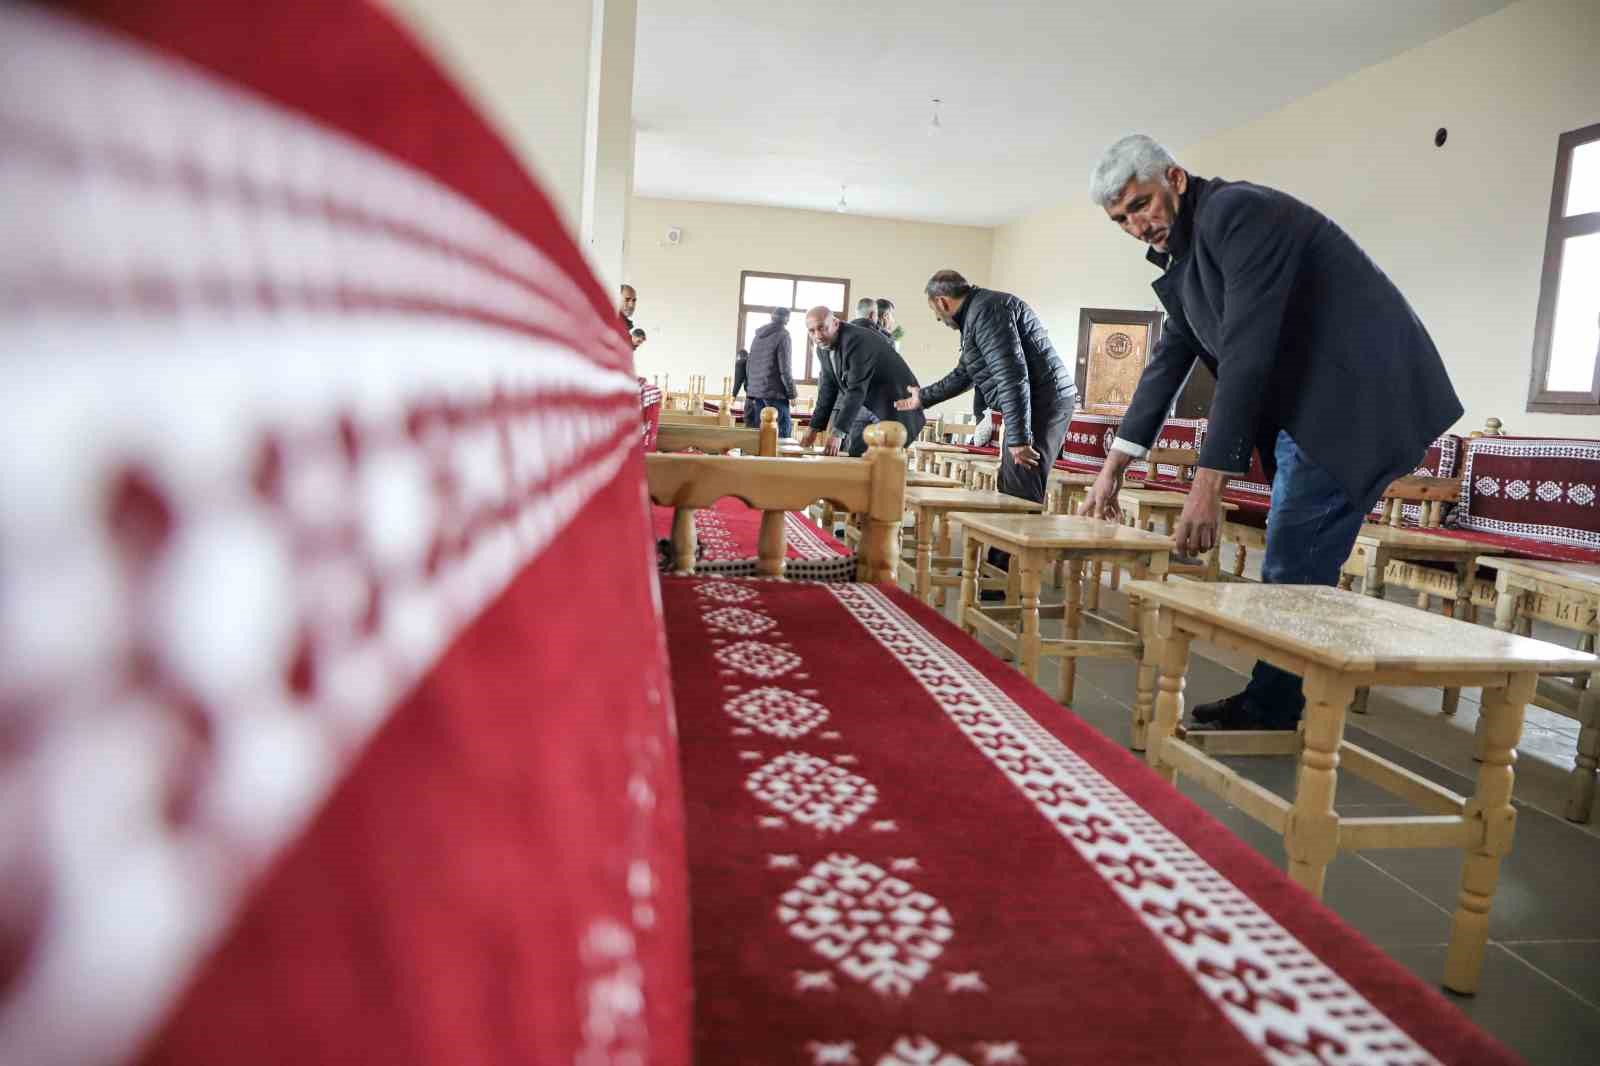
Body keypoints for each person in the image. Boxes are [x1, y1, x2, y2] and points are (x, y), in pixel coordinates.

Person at [1079, 133, 1462, 731]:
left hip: (1351, 398)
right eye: (1120, 218)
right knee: (1296, 554)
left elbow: (1246, 353)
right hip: (1310, 405)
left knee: (1293, 555)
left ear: (1175, 179)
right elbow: (1167, 362)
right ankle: (1279, 699)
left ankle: (1276, 707)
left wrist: (1208, 488)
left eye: (1140, 204)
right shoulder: (1188, 257)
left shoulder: (1238, 212)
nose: (1135, 225)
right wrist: (1112, 467)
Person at [895, 270, 1076, 505]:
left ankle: (1015, 540)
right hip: (1033, 399)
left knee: (1020, 485)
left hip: (1041, 400)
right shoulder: (977, 312)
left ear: (942, 301)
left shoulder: (986, 312)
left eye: (934, 311)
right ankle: (1003, 541)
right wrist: (923, 397)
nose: (938, 318)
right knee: (1011, 483)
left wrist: (1020, 439)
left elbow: (1011, 376)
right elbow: (966, 373)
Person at [802, 308, 924, 456]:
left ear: (835, 323)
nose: (818, 336)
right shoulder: (823, 347)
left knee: (884, 463)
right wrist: (813, 427)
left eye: (822, 328)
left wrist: (837, 434)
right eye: (812, 331)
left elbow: (856, 390)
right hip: (865, 404)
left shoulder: (857, 340)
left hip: (892, 406)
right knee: (855, 457)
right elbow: (828, 389)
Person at [744, 307, 798, 436]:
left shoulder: (758, 336)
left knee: (761, 438)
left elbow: (749, 364)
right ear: (787, 319)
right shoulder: (783, 335)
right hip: (775, 394)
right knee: (781, 438)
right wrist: (792, 394)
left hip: (756, 394)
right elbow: (785, 369)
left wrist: (751, 389)